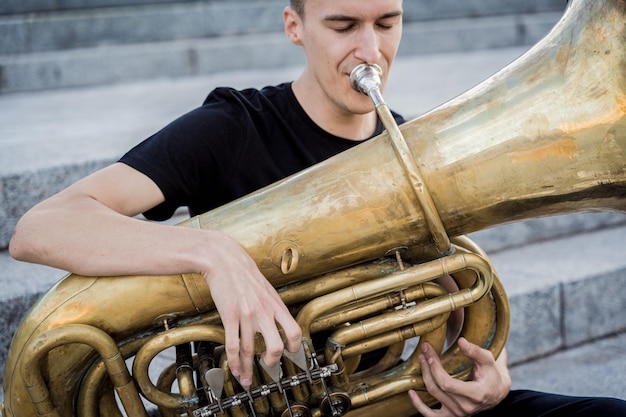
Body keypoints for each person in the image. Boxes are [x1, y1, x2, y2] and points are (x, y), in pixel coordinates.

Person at [8, 0, 626, 416]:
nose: (370, 51)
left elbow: (465, 291)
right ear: (294, 25)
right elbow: (41, 228)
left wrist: (491, 380)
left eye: (387, 23)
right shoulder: (232, 128)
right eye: (343, 26)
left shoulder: (412, 151)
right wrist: (209, 250)